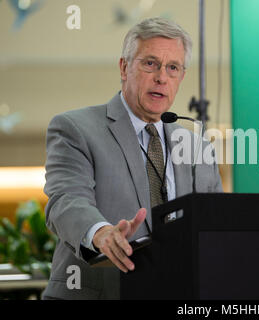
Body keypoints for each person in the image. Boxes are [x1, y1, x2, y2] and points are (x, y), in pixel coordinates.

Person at [42, 17, 222, 300]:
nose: (162, 77)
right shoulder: (75, 128)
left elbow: (214, 225)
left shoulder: (197, 146)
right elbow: (66, 200)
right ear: (124, 67)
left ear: (181, 77)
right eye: (150, 63)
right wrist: (100, 233)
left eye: (172, 67)